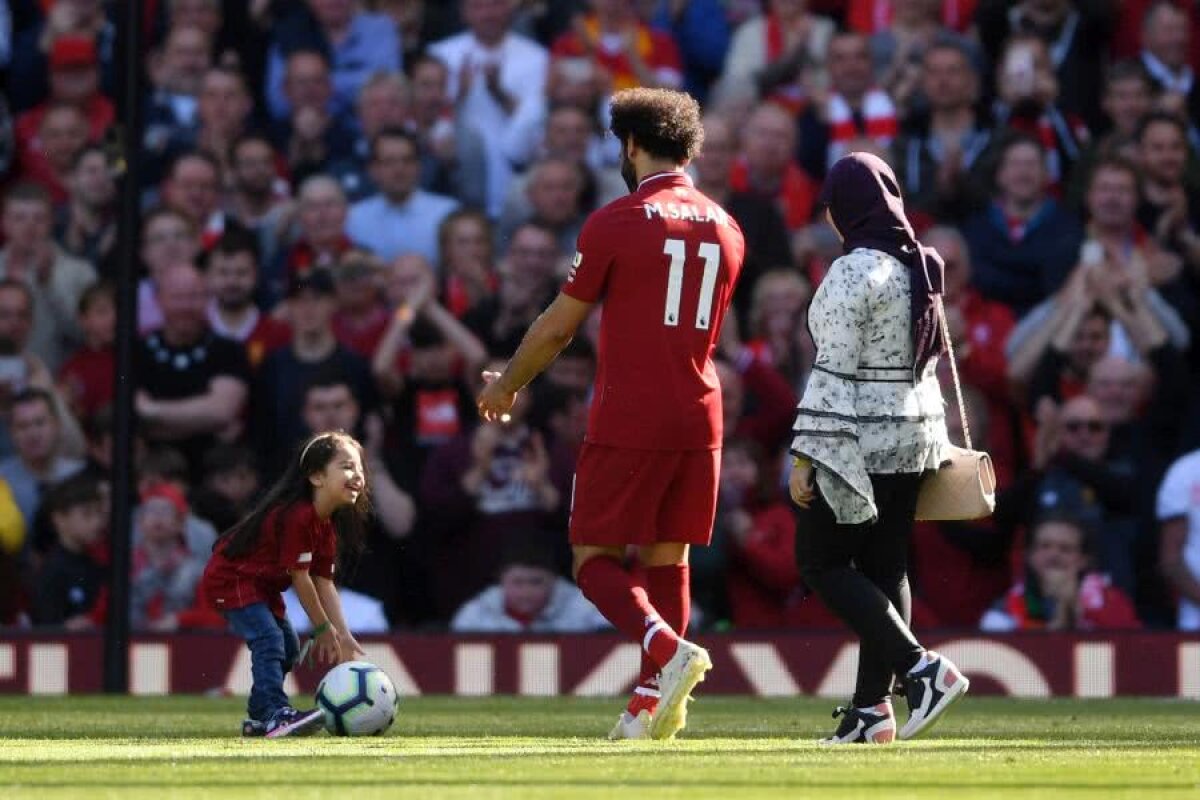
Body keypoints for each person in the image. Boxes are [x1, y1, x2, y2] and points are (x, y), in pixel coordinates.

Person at [476, 88, 744, 742]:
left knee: (592, 559)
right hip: (701, 412)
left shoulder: (617, 221)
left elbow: (558, 327)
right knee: (668, 557)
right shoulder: (726, 226)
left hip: (632, 412)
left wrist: (508, 385)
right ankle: (652, 701)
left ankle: (667, 650)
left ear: (630, 145)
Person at [788, 152, 968, 746]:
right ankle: (871, 711)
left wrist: (806, 454)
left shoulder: (852, 270)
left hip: (859, 437)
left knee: (821, 562)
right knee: (887, 567)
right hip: (917, 435)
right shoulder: (919, 264)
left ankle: (922, 669)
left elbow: (833, 369)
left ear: (843, 210)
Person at [200, 431, 370, 739]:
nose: (358, 475)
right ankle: (274, 713)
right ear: (316, 477)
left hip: (261, 586)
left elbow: (324, 582)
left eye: (359, 468)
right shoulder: (299, 517)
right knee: (269, 640)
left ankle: (258, 717)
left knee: (289, 648)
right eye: (347, 466)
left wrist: (343, 634)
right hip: (231, 579)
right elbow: (301, 579)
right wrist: (322, 628)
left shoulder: (324, 525)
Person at [980, 515, 1140, 631]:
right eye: (1045, 546)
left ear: (1084, 559)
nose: (1054, 555)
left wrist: (1072, 609)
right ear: (1029, 555)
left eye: (1065, 549)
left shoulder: (1112, 601)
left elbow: (1128, 649)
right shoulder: (1006, 607)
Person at [451, 544, 608, 633]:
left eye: (536, 582)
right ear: (501, 581)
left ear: (554, 580)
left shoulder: (586, 608)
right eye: (518, 582)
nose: (526, 592)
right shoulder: (477, 612)